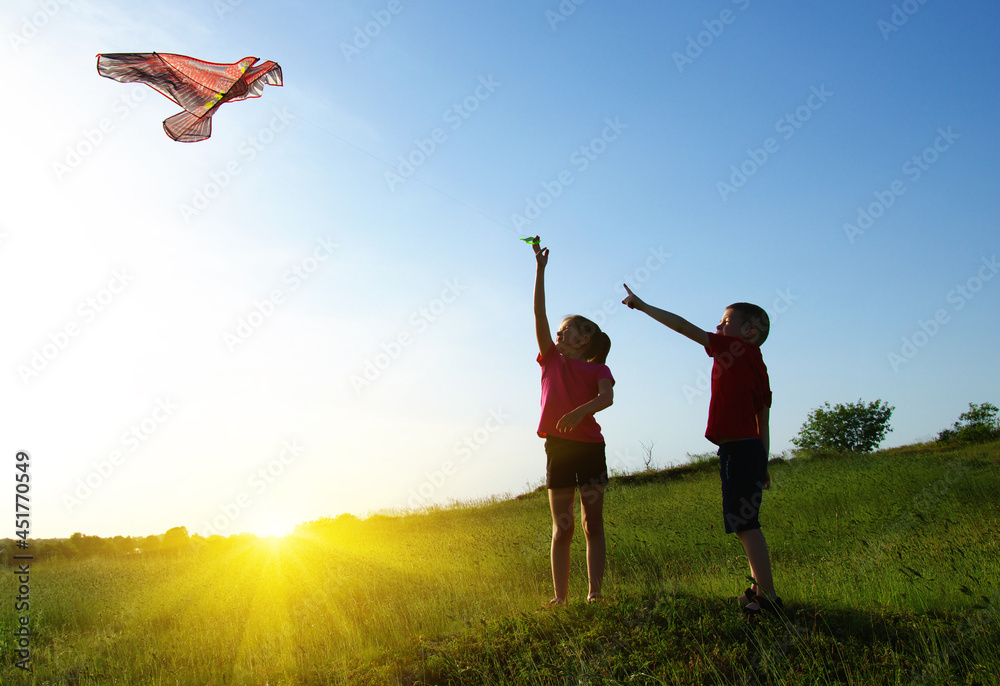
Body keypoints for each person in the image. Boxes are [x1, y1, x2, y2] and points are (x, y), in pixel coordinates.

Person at [621, 285, 781, 615]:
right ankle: (755, 591)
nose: (719, 327)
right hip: (749, 450)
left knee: (746, 525)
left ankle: (768, 597)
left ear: (748, 331)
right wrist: (763, 461)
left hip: (739, 450)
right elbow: (762, 418)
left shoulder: (734, 347)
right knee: (745, 522)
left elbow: (683, 327)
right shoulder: (759, 366)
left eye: (725, 321)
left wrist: (643, 305)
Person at [530, 237, 615, 606]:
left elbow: (607, 397)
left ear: (586, 339)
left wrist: (582, 411)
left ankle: (594, 593)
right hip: (559, 449)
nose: (560, 332)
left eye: (569, 328)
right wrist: (540, 269)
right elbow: (539, 315)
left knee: (590, 524)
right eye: (560, 328)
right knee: (562, 527)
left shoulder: (600, 368)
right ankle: (560, 597)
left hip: (591, 449)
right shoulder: (551, 359)